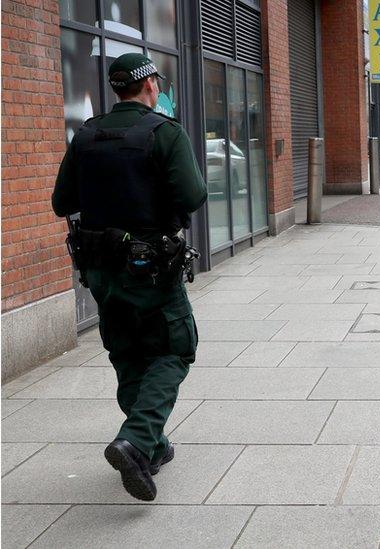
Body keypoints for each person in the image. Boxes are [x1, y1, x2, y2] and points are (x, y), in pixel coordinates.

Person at [52, 53, 207, 501]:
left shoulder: (86, 135)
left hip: (101, 270)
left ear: (117, 89)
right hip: (151, 269)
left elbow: (62, 203)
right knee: (175, 350)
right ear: (150, 87)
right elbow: (193, 195)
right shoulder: (164, 132)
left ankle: (151, 448)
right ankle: (137, 440)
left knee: (127, 352)